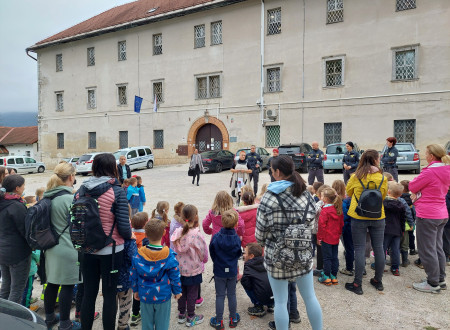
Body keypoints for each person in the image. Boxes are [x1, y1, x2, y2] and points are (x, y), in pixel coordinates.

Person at [256, 155, 322, 330]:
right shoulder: (306, 194)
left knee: (280, 301)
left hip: (276, 258)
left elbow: (260, 236)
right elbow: (312, 223)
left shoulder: (268, 198)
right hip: (303, 254)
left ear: (277, 172)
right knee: (310, 298)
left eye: (271, 170)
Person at [75, 153, 132, 330]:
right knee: (109, 295)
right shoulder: (116, 191)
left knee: (88, 294)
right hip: (111, 250)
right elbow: (123, 226)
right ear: (112, 168)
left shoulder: (81, 190)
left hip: (86, 249)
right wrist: (130, 236)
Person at [42, 163, 83, 330]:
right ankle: (65, 323)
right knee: (67, 285)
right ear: (71, 177)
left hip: (50, 247)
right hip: (68, 248)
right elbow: (80, 225)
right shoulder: (70, 199)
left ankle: (50, 318)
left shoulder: (47, 197)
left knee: (51, 283)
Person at [345, 149, 388, 295]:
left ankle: (358, 283)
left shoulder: (356, 176)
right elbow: (383, 196)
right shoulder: (382, 177)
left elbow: (349, 193)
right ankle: (378, 280)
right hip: (377, 216)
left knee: (359, 249)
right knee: (379, 248)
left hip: (358, 215)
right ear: (376, 160)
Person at [409, 144, 450, 293]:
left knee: (427, 249)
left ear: (432, 156)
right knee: (437, 247)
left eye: (426, 154)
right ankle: (440, 278)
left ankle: (433, 283)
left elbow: (412, 186)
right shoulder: (447, 169)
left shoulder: (430, 172)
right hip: (441, 213)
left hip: (427, 214)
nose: (425, 156)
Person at [130, 219, 182, 330]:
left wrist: (135, 290)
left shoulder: (138, 255)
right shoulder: (168, 255)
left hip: (145, 295)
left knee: (146, 325)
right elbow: (175, 275)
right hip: (163, 296)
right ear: (164, 233)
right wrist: (177, 291)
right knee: (162, 325)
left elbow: (133, 274)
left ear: (146, 234)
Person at [171, 204, 208, 327]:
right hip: (193, 269)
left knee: (181, 291)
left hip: (179, 269)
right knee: (192, 292)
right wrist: (203, 260)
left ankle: (181, 313)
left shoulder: (177, 233)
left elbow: (173, 249)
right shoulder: (196, 234)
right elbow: (202, 251)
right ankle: (191, 316)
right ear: (195, 217)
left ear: (182, 216)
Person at [0, 175, 31, 304]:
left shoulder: (3, 202)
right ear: (17, 188)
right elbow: (25, 230)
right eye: (23, 185)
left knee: (6, 287)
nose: (24, 188)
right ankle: (12, 320)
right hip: (18, 254)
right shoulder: (16, 206)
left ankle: (3, 316)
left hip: (3, 251)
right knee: (16, 290)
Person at [209, 209, 242, 330]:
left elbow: (212, 252)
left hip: (219, 270)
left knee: (220, 296)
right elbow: (238, 253)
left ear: (222, 222)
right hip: (232, 270)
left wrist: (217, 262)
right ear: (236, 224)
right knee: (232, 294)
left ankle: (219, 321)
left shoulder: (216, 237)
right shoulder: (237, 239)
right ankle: (233, 318)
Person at [317, 188, 344, 286]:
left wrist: (319, 237)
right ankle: (333, 276)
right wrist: (339, 233)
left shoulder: (325, 210)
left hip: (326, 238)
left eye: (323, 195)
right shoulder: (338, 209)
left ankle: (326, 276)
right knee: (334, 257)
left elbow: (321, 225)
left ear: (326, 199)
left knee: (327, 258)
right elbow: (341, 223)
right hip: (335, 237)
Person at [241, 243, 273, 317]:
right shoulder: (266, 261)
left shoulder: (248, 265)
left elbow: (246, 283)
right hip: (275, 297)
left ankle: (258, 306)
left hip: (263, 297)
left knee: (245, 282)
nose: (243, 255)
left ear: (251, 256)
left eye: (245, 253)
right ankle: (271, 305)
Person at [382, 182, 406, 276]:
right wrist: (402, 230)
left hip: (385, 229)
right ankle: (395, 268)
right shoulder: (401, 205)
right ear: (400, 194)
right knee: (395, 249)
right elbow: (403, 219)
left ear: (388, 191)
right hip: (397, 230)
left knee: (382, 248)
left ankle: (381, 265)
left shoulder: (384, 203)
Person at [130, 212, 148, 326]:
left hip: (133, 269)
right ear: (145, 224)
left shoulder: (130, 235)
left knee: (135, 293)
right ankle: (146, 313)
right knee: (144, 291)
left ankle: (135, 315)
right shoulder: (146, 237)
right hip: (143, 269)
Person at [116, 238, 138, 330]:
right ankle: (123, 325)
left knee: (109, 304)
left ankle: (108, 323)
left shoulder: (104, 235)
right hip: (125, 278)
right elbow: (133, 258)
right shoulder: (128, 239)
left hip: (109, 279)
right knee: (125, 303)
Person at [400, 180, 418, 255]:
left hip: (402, 220)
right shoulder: (412, 197)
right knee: (411, 235)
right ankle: (412, 249)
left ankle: (401, 249)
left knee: (402, 235)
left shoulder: (400, 197)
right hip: (411, 220)